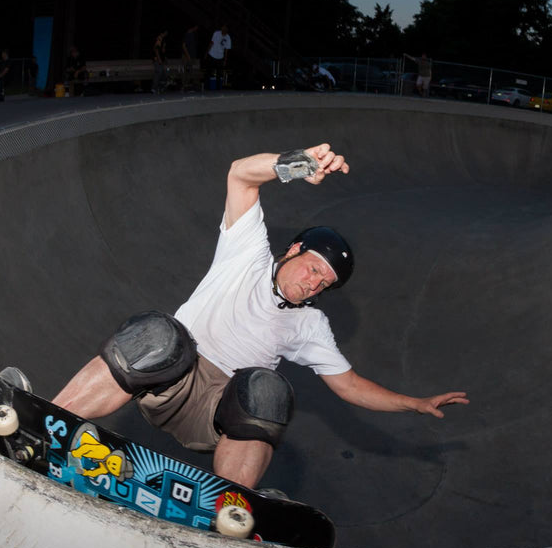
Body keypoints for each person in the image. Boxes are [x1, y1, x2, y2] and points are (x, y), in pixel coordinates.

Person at [49, 143, 469, 489]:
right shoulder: (247, 250)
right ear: (294, 250)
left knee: (269, 389)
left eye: (324, 283)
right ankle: (50, 420)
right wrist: (299, 164)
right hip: (167, 379)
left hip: (217, 413)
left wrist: (414, 404)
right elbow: (240, 175)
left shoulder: (311, 325)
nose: (314, 284)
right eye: (313, 269)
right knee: (161, 333)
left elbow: (351, 386)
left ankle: (232, 505)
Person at [205, 24, 232, 89]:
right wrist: (207, 52)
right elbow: (211, 43)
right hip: (212, 54)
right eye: (223, 28)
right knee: (208, 71)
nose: (224, 30)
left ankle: (218, 89)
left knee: (219, 73)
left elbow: (226, 50)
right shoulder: (216, 33)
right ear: (221, 28)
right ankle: (207, 87)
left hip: (220, 56)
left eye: (225, 29)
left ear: (227, 30)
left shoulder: (228, 37)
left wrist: (225, 60)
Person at [181, 25, 200, 91]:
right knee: (185, 71)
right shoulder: (188, 34)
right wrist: (188, 56)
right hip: (186, 56)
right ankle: (183, 86)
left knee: (190, 71)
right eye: (196, 27)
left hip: (191, 56)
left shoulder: (193, 34)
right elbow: (183, 46)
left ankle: (187, 85)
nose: (197, 29)